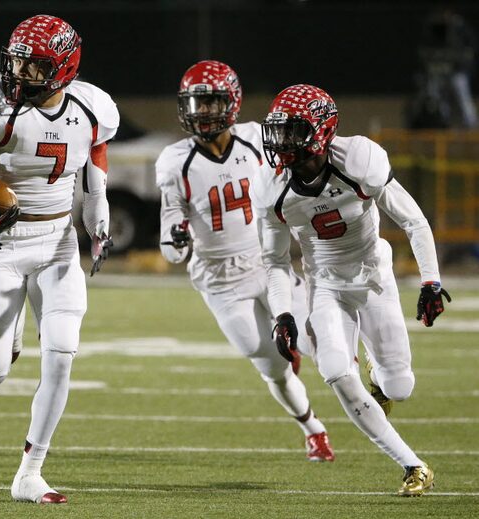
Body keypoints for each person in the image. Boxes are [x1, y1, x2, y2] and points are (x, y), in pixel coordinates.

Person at [0, 14, 118, 503]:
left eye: (33, 66)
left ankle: (29, 472)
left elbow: (95, 174)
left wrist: (99, 226)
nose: (20, 75)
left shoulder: (93, 108)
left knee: (61, 352)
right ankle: (6, 336)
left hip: (58, 244)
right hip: (1, 246)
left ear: (64, 67)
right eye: (16, 63)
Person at [255, 84, 452, 496]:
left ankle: (379, 378)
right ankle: (413, 465)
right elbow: (274, 261)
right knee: (334, 371)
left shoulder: (359, 160)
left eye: (293, 131)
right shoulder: (272, 188)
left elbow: (413, 221)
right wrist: (284, 315)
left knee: (399, 386)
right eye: (279, 132)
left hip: (373, 276)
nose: (283, 143)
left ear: (322, 130)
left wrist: (431, 280)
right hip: (324, 283)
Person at [157, 60, 334, 463]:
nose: (202, 113)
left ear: (232, 102)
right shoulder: (173, 161)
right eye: (195, 104)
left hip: (266, 262)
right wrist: (178, 238)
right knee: (273, 367)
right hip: (220, 282)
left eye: (212, 102)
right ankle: (313, 428)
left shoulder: (259, 140)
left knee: (317, 340)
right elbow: (170, 250)